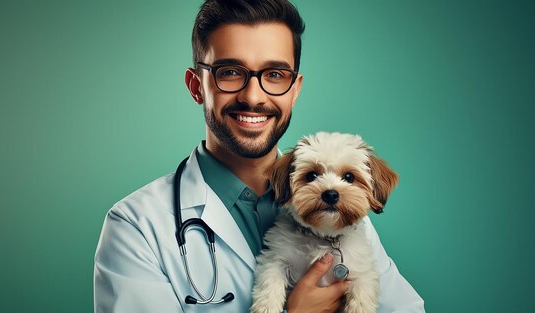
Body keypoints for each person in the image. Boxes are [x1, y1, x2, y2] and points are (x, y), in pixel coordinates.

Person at [93, 0, 425, 312]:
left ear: (295, 90)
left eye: (275, 75)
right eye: (230, 72)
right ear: (196, 86)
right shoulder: (135, 226)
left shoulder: (342, 215)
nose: (253, 97)